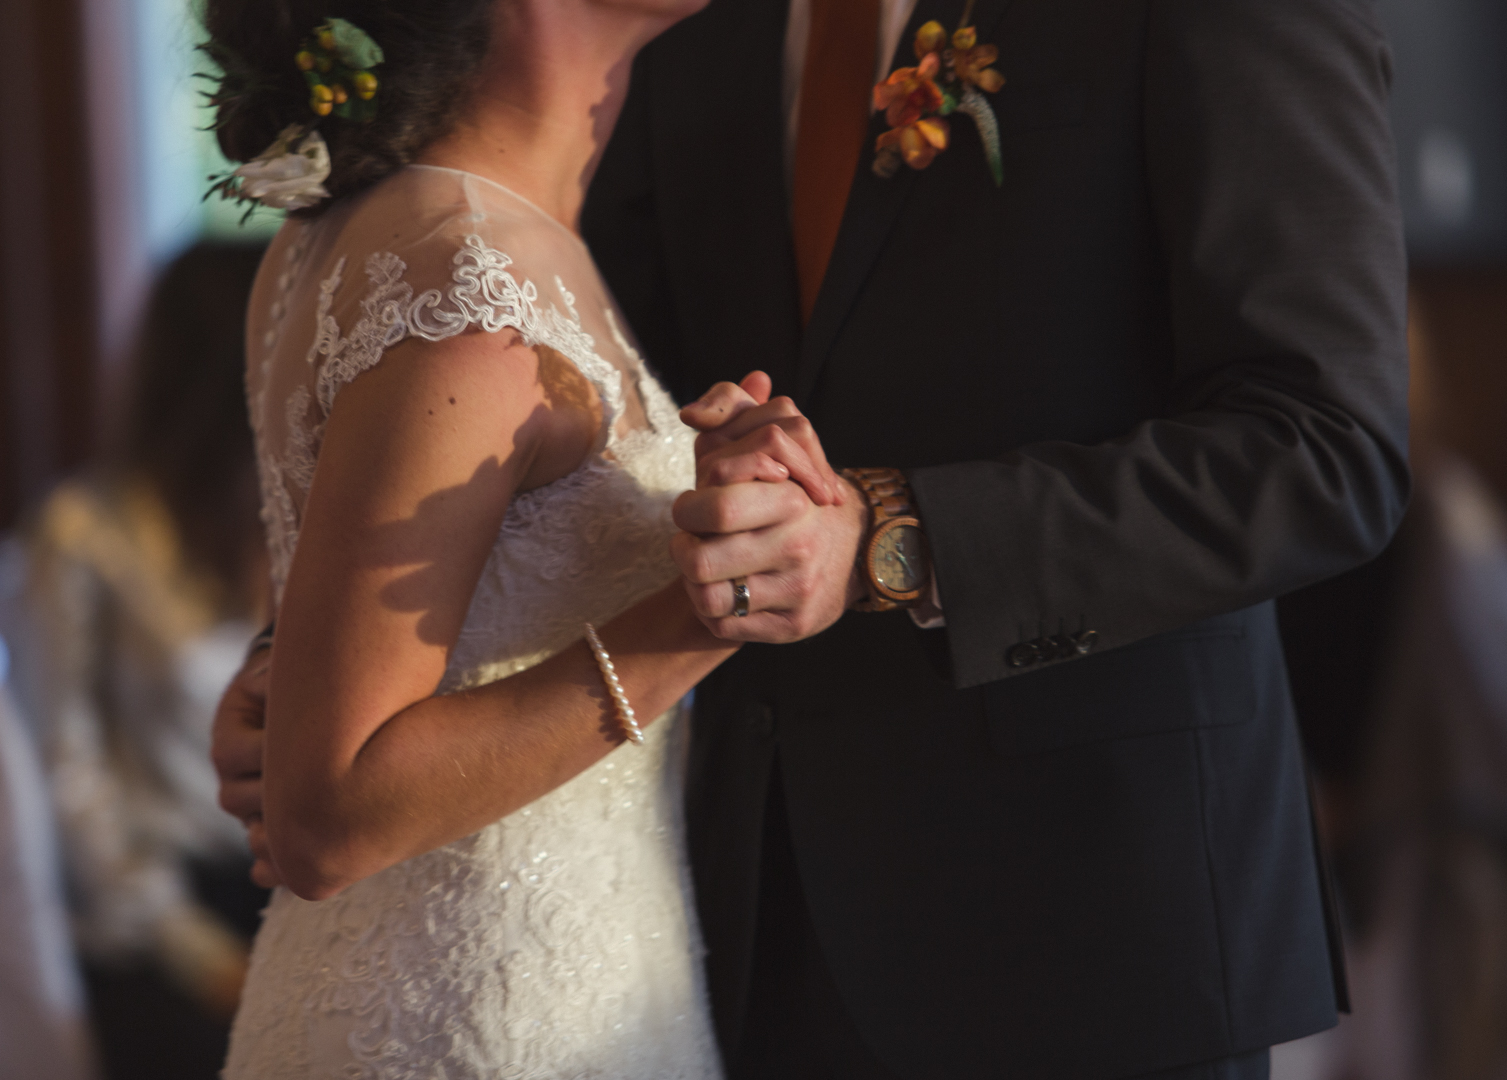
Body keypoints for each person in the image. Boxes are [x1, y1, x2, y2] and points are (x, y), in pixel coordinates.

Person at [215, 1, 1410, 1079]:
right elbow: (551, 389)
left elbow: (1324, 445)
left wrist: (898, 537)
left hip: (1092, 916)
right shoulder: (672, 29)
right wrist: (316, 660)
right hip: (730, 916)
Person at [199, 0, 846, 1075]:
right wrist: (719, 599)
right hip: (471, 1017)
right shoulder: (466, 285)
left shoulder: (397, 232)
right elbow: (328, 819)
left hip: (517, 975)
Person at [15, 243, 271, 1079]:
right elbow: (69, 773)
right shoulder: (83, 533)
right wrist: (195, 954)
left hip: (290, 877)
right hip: (154, 917)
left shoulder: (293, 518)